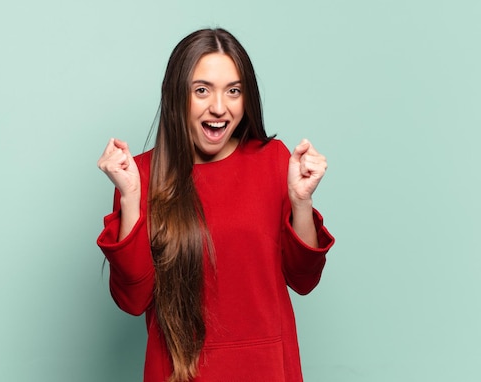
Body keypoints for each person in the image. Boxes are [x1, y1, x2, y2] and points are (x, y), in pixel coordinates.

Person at [97, 28, 335, 382]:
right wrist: (131, 196)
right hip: (179, 372)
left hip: (267, 369)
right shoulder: (141, 174)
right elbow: (133, 299)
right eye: (202, 90)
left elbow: (303, 279)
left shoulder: (272, 160)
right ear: (177, 95)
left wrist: (301, 202)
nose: (219, 108)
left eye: (234, 91)